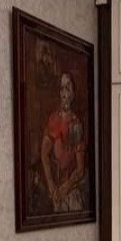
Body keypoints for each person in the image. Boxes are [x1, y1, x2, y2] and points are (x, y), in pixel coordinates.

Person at [40, 70, 87, 212]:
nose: (64, 93)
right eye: (62, 88)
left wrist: (64, 188)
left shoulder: (76, 123)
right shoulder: (54, 119)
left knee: (75, 204)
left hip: (72, 187)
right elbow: (44, 154)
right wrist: (52, 187)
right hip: (55, 188)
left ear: (73, 93)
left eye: (68, 88)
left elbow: (80, 170)